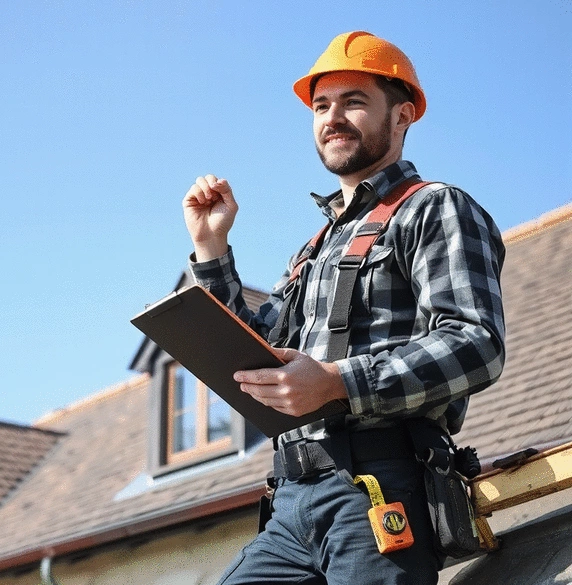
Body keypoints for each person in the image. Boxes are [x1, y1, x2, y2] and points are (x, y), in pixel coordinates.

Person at [182, 31, 505, 585]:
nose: (332, 117)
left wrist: (338, 381)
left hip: (380, 486)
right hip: (289, 505)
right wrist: (211, 249)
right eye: (321, 106)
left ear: (402, 116)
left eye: (353, 101)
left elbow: (475, 342)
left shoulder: (434, 208)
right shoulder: (312, 250)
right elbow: (256, 357)